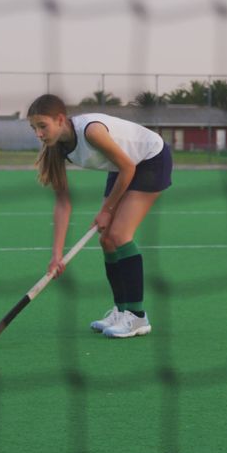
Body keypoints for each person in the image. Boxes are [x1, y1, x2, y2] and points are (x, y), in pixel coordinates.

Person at [27, 93, 172, 339]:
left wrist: (107, 211)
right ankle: (121, 310)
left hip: (150, 159)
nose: (39, 134)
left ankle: (137, 317)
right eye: (34, 128)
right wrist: (57, 255)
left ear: (60, 119)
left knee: (119, 235)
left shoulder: (90, 132)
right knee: (106, 240)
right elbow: (63, 203)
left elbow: (129, 167)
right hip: (123, 166)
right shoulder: (56, 148)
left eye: (43, 126)